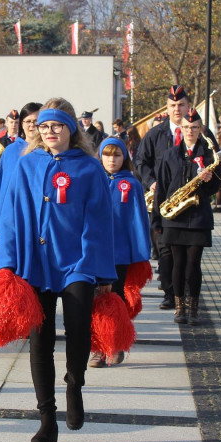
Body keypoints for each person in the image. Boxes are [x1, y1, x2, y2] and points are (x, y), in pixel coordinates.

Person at [0, 99, 115, 442]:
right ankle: (47, 418)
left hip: (76, 261)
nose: (49, 132)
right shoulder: (25, 165)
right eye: (44, 127)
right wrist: (7, 262)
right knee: (40, 339)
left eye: (57, 127)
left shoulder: (89, 169)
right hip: (36, 262)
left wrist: (101, 270)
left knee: (78, 326)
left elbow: (100, 222)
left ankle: (74, 382)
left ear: (70, 130)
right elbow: (11, 215)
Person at [136, 85, 216, 311]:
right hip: (166, 205)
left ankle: (187, 297)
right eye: (172, 105)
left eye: (181, 104)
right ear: (167, 107)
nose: (177, 109)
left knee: (190, 261)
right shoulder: (156, 134)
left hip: (194, 209)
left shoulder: (204, 135)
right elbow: (141, 161)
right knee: (165, 253)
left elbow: (217, 167)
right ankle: (171, 294)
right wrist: (152, 181)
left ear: (189, 106)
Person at [153, 107, 221, 326]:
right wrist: (157, 220)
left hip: (197, 217)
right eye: (186, 127)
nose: (190, 131)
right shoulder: (169, 155)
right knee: (177, 263)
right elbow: (161, 189)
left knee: (193, 264)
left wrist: (210, 180)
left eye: (194, 127)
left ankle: (193, 308)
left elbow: (216, 189)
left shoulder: (209, 155)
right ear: (180, 129)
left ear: (200, 129)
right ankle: (179, 307)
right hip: (174, 217)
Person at [89, 135, 151, 367]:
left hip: (120, 254)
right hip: (94, 251)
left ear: (124, 158)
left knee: (114, 299)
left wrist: (141, 253)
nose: (111, 159)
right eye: (107, 154)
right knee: (94, 301)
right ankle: (97, 347)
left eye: (116, 154)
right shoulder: (94, 180)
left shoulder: (131, 184)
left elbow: (137, 220)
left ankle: (114, 344)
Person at [0, 101, 42, 237]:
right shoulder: (10, 151)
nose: (31, 125)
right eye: (27, 121)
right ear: (21, 124)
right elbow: (0, 187)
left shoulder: (50, 151)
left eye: (36, 121)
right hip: (13, 220)